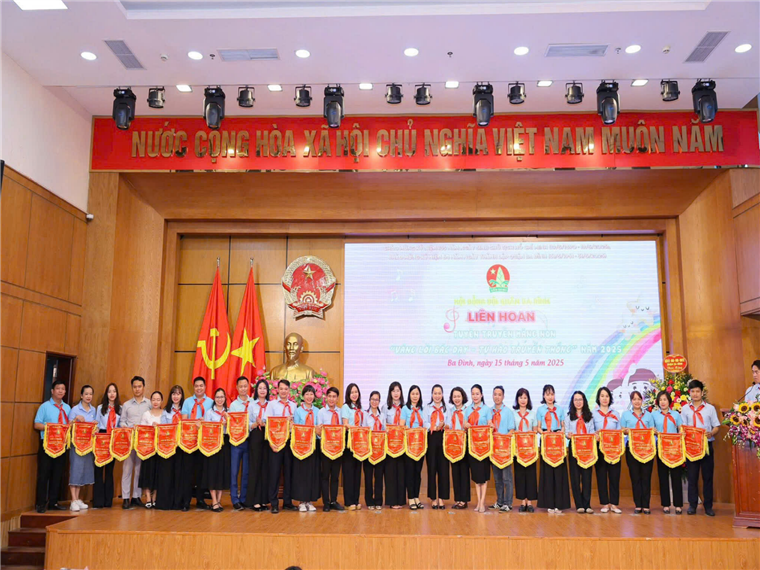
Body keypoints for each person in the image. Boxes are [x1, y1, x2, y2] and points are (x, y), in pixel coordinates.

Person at [681, 379, 720, 517]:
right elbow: (682, 427)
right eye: (693, 391)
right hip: (691, 447)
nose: (695, 394)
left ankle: (708, 506)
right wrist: (682, 432)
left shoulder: (710, 408)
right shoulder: (685, 409)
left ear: (702, 393)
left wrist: (711, 433)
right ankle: (692, 505)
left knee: (707, 477)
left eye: (698, 391)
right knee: (692, 477)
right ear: (689, 393)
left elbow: (716, 426)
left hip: (706, 446)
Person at [33, 379, 71, 513]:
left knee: (57, 474)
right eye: (58, 388)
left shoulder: (67, 408)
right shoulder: (44, 407)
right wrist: (51, 428)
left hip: (61, 444)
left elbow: (69, 425)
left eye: (63, 389)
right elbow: (37, 424)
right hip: (47, 444)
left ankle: (53, 502)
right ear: (52, 391)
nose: (61, 391)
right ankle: (40, 503)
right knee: (44, 474)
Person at [536, 384, 570, 514]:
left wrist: (561, 432)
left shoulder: (560, 409)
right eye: (547, 394)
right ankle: (549, 504)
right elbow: (538, 427)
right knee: (548, 472)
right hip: (546, 440)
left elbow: (563, 425)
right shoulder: (540, 410)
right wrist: (544, 433)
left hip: (558, 440)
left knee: (559, 472)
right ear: (544, 396)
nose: (550, 397)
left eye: (552, 394)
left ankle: (559, 504)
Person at [180, 376, 214, 510]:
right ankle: (186, 501)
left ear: (205, 387)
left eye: (201, 386)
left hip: (204, 441)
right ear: (193, 388)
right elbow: (184, 420)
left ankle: (200, 499)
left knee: (201, 472)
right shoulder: (187, 402)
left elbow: (212, 421)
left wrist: (204, 423)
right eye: (196, 386)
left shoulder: (211, 402)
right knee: (187, 472)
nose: (199, 388)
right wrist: (194, 423)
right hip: (189, 440)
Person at [619, 390, 655, 514]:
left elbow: (653, 430)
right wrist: (627, 430)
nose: (637, 401)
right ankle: (638, 504)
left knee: (646, 477)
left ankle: (646, 505)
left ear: (642, 400)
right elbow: (622, 430)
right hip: (632, 449)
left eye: (639, 399)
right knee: (635, 477)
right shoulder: (625, 415)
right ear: (631, 401)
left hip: (647, 448)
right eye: (634, 399)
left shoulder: (649, 415)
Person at [266, 379, 297, 514]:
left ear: (289, 391)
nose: (283, 391)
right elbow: (268, 424)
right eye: (281, 389)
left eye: (286, 389)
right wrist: (270, 442)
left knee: (289, 472)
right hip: (276, 442)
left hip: (289, 442)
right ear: (277, 390)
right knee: (274, 472)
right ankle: (273, 503)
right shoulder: (272, 405)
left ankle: (287, 502)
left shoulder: (294, 406)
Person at [120, 375, 151, 510]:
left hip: (143, 442)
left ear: (143, 387)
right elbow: (122, 421)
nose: (137, 389)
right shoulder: (126, 405)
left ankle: (136, 497)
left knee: (139, 469)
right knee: (127, 469)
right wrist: (126, 428)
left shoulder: (149, 403)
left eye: (139, 386)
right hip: (129, 440)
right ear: (132, 388)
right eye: (135, 387)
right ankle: (125, 498)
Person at [652, 390, 683, 515]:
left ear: (669, 401)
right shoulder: (654, 415)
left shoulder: (676, 414)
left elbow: (680, 428)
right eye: (660, 400)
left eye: (664, 399)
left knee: (676, 476)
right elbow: (652, 429)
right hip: (661, 448)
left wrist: (681, 433)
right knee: (663, 476)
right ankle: (665, 504)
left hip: (674, 449)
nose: (662, 402)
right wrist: (655, 431)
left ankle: (678, 505)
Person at [592, 387, 622, 514]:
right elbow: (590, 430)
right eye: (602, 396)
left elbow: (619, 431)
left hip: (614, 448)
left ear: (610, 398)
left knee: (614, 476)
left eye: (607, 396)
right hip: (599, 448)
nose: (604, 398)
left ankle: (614, 504)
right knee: (601, 475)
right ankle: (604, 503)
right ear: (598, 398)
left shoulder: (616, 414)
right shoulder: (593, 414)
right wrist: (595, 434)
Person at [566, 390, 595, 514]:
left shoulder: (589, 416)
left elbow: (592, 431)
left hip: (587, 449)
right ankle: (579, 504)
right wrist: (568, 434)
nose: (578, 402)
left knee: (587, 477)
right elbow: (566, 432)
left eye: (580, 399)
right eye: (576, 400)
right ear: (573, 402)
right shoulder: (569, 416)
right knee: (575, 477)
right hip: (574, 448)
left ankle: (587, 504)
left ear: (584, 401)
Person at [155, 385, 184, 511]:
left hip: (181, 446)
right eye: (173, 394)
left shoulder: (185, 410)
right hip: (167, 446)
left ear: (181, 396)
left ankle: (178, 502)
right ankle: (165, 502)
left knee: (179, 474)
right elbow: (163, 428)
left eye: (178, 394)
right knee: (167, 474)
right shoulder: (166, 411)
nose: (176, 396)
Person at [488, 385, 516, 512]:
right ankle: (499, 502)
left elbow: (512, 430)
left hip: (505, 450)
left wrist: (502, 438)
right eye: (495, 394)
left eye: (499, 394)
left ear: (503, 396)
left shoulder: (508, 412)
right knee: (497, 478)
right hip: (493, 449)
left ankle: (508, 503)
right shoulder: (489, 412)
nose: (497, 397)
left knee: (507, 478)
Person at [68, 385, 96, 512]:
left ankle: (78, 498)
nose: (88, 396)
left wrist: (95, 428)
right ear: (81, 396)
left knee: (82, 471)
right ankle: (73, 499)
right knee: (75, 470)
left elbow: (95, 426)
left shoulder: (93, 410)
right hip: (76, 445)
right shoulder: (75, 409)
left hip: (88, 445)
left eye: (90, 394)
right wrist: (75, 419)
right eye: (86, 394)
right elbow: (68, 426)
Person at [93, 383, 121, 509]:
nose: (112, 394)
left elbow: (120, 425)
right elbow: (97, 424)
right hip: (101, 437)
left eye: (114, 391)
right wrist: (96, 430)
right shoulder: (100, 408)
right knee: (99, 469)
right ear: (106, 394)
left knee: (109, 470)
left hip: (114, 437)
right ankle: (98, 501)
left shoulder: (120, 408)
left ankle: (108, 500)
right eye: (109, 391)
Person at [292, 385, 320, 512]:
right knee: (301, 473)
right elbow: (296, 428)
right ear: (303, 396)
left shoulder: (318, 411)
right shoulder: (298, 411)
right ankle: (301, 501)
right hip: (301, 445)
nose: (309, 397)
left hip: (314, 445)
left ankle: (310, 501)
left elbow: (319, 429)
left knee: (312, 473)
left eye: (311, 394)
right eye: (307, 394)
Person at [464, 384, 491, 513]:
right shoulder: (468, 409)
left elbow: (490, 423)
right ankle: (478, 501)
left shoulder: (486, 409)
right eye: (473, 394)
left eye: (477, 394)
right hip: (473, 446)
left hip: (484, 447)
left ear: (482, 395)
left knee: (483, 476)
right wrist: (466, 425)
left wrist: (490, 425)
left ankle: (482, 502)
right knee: (476, 475)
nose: (475, 396)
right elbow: (464, 423)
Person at [203, 388, 231, 512]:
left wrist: (228, 422)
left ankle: (219, 501)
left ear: (225, 398)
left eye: (222, 397)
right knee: (212, 471)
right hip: (212, 443)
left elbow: (235, 429)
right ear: (214, 399)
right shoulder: (209, 413)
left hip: (225, 443)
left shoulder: (229, 412)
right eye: (218, 397)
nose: (220, 399)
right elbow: (206, 429)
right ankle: (213, 500)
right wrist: (219, 426)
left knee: (222, 472)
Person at [244, 378, 270, 511]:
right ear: (256, 390)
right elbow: (247, 423)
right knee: (255, 467)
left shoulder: (271, 405)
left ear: (267, 390)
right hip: (255, 436)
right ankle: (254, 501)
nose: (262, 390)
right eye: (260, 388)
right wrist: (255, 424)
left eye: (264, 388)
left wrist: (266, 423)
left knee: (265, 468)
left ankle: (263, 500)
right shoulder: (252, 405)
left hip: (267, 436)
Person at [318, 386, 345, 512]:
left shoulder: (341, 412)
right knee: (325, 476)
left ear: (337, 398)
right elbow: (319, 432)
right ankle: (326, 502)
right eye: (329, 396)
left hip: (338, 448)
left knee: (335, 476)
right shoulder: (321, 412)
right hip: (325, 448)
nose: (332, 399)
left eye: (334, 396)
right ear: (326, 397)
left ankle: (334, 500)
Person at [423, 384, 449, 510]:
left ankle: (442, 498)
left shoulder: (447, 408)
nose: (437, 396)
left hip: (444, 438)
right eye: (435, 393)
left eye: (439, 393)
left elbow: (450, 423)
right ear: (432, 395)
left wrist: (444, 425)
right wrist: (434, 427)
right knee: (432, 468)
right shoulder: (427, 408)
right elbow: (424, 422)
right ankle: (433, 498)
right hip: (431, 437)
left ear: (442, 394)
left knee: (443, 469)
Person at [228, 376, 252, 511]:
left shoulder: (253, 403)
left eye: (245, 386)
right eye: (241, 386)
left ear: (248, 387)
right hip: (236, 442)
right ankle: (234, 499)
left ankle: (243, 498)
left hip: (249, 441)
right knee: (234, 471)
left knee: (246, 471)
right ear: (237, 388)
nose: (243, 389)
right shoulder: (233, 405)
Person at [512, 387, 537, 513]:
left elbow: (535, 429)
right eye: (521, 397)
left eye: (525, 397)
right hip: (518, 449)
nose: (523, 400)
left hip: (530, 449)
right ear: (517, 399)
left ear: (528, 399)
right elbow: (511, 429)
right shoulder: (513, 414)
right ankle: (522, 502)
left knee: (531, 475)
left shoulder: (532, 414)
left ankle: (530, 502)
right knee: (520, 475)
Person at [401, 384, 425, 510]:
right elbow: (401, 425)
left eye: (417, 394)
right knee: (409, 472)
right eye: (413, 394)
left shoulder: (423, 409)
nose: (415, 396)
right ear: (409, 395)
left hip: (420, 446)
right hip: (409, 445)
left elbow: (426, 424)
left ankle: (416, 497)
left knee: (417, 472)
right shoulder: (405, 409)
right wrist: (409, 429)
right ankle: (410, 497)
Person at [138, 391, 164, 509]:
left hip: (161, 448)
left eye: (158, 400)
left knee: (158, 472)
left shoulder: (165, 414)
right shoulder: (146, 414)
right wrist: (150, 428)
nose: (155, 402)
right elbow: (142, 430)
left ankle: (155, 497)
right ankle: (148, 497)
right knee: (147, 472)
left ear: (162, 401)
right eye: (153, 399)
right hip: (147, 448)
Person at [341, 382, 365, 510]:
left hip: (359, 441)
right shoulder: (345, 407)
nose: (354, 394)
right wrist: (356, 428)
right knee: (349, 471)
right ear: (348, 394)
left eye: (356, 392)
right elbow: (345, 424)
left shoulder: (360, 408)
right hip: (349, 439)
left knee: (357, 471)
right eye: (352, 392)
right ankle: (349, 501)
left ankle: (356, 500)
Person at [383, 381, 406, 509]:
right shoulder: (385, 408)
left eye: (398, 390)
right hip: (389, 445)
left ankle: (401, 500)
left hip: (402, 445)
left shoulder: (405, 408)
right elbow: (382, 424)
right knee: (390, 473)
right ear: (390, 393)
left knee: (401, 473)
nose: (396, 393)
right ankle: (392, 501)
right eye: (393, 391)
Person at [447, 386, 470, 509]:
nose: (456, 399)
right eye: (454, 396)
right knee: (455, 472)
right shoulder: (449, 411)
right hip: (453, 445)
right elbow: (448, 425)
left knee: (464, 471)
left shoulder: (468, 410)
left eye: (458, 396)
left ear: (463, 397)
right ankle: (457, 499)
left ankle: (464, 499)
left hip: (464, 443)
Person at [363, 390, 386, 510]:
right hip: (368, 450)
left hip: (380, 450)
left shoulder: (382, 416)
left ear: (379, 401)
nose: (374, 402)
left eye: (376, 400)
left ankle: (378, 501)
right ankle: (369, 501)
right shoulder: (365, 415)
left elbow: (385, 431)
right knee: (368, 477)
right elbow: (362, 431)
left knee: (379, 476)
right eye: (372, 399)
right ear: (369, 400)